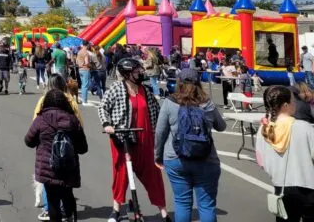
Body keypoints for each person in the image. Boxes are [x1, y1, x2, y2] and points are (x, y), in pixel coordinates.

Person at [98, 58, 171, 222]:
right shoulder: (117, 88)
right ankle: (116, 210)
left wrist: (162, 130)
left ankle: (163, 211)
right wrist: (107, 124)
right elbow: (103, 107)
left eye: (140, 70)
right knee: (121, 174)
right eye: (137, 71)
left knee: (153, 174)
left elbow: (156, 112)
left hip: (145, 137)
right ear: (127, 73)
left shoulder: (145, 90)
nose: (140, 73)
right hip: (123, 138)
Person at [155, 69, 226, 222]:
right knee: (207, 205)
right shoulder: (207, 103)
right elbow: (221, 126)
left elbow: (160, 132)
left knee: (182, 202)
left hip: (176, 158)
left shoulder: (169, 102)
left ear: (179, 82)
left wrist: (158, 156)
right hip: (206, 159)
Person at [25, 89, 88, 222]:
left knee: (52, 200)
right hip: (69, 168)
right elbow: (83, 148)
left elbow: (29, 141)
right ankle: (70, 216)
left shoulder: (41, 119)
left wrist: (41, 141)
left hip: (48, 167)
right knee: (68, 195)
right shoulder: (72, 120)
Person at [256, 85, 314, 222]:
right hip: (307, 187)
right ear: (286, 105)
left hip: (280, 187)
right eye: (293, 100)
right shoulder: (305, 128)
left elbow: (261, 162)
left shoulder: (264, 130)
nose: (296, 103)